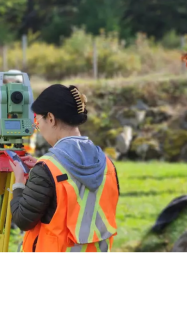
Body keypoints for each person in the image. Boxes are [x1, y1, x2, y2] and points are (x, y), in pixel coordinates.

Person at [10, 84, 120, 252]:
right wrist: (43, 169)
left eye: (37, 121)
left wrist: (19, 182)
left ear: (51, 118)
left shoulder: (47, 169)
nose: (38, 128)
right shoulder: (107, 163)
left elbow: (23, 220)